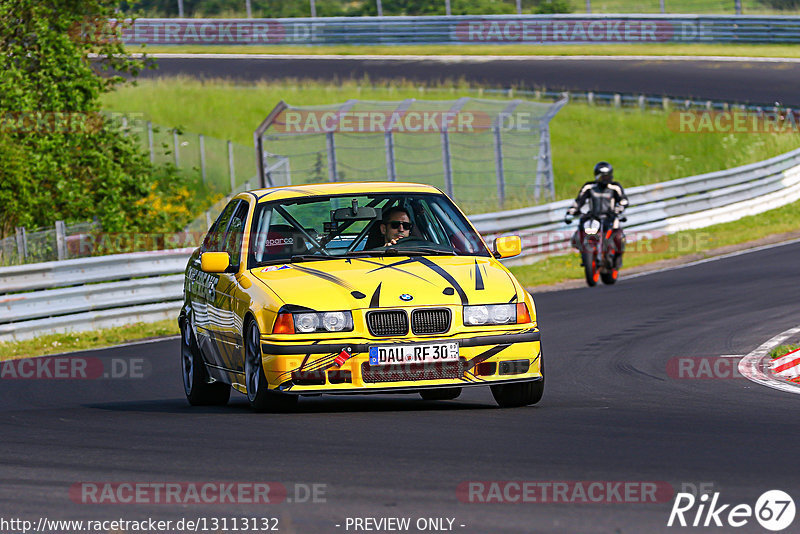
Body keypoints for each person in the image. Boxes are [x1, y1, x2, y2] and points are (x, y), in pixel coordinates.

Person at [564, 161, 629, 265]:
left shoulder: (615, 187)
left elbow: (624, 200)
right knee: (580, 232)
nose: (605, 179)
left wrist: (619, 208)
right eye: (603, 177)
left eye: (607, 176)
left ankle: (617, 257)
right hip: (594, 217)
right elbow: (579, 200)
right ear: (597, 176)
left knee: (619, 237)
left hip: (610, 217)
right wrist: (572, 210)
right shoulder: (589, 186)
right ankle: (584, 253)